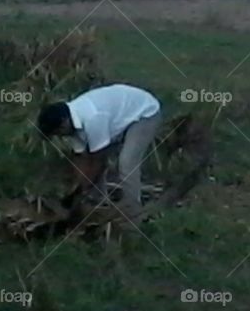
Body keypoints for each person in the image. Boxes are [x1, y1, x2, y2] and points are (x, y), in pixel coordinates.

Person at [38, 84, 162, 219]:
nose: (60, 137)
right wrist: (76, 189)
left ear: (63, 123)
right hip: (117, 117)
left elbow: (99, 160)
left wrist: (83, 188)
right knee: (93, 172)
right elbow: (82, 159)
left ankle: (133, 213)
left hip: (144, 113)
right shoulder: (70, 126)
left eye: (58, 133)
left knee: (126, 163)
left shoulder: (92, 118)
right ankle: (98, 204)